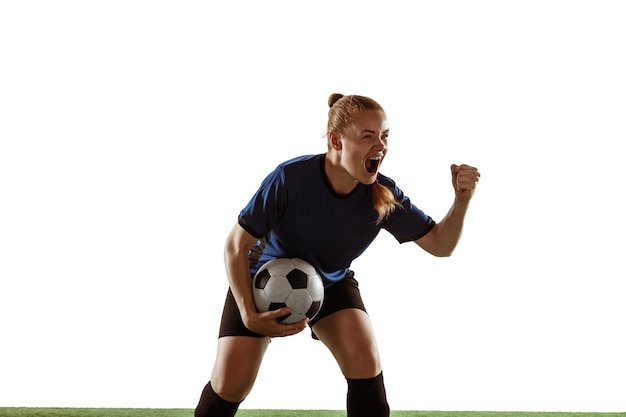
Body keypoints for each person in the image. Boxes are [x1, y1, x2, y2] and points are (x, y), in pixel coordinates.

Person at [194, 93, 480, 417]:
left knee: (365, 355)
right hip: (262, 278)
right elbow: (235, 245)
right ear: (336, 140)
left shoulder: (382, 195)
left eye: (385, 136)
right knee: (231, 383)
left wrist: (461, 200)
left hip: (330, 280)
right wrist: (246, 312)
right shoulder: (290, 179)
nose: (381, 146)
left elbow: (441, 245)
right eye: (368, 136)